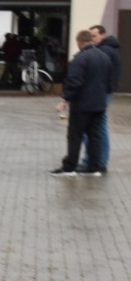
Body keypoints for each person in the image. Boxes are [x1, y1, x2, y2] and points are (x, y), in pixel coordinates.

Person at [52, 30, 112, 177]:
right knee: (95, 135)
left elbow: (74, 82)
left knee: (75, 135)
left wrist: (65, 99)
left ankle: (69, 167)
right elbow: (109, 81)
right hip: (99, 103)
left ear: (79, 42)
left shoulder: (80, 59)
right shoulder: (105, 57)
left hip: (82, 104)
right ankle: (93, 167)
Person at [91, 24, 120, 170]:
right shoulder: (108, 49)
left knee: (99, 127)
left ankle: (100, 161)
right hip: (105, 91)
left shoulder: (105, 51)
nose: (92, 39)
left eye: (95, 36)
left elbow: (101, 74)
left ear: (103, 34)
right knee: (100, 126)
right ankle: (100, 160)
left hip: (102, 92)